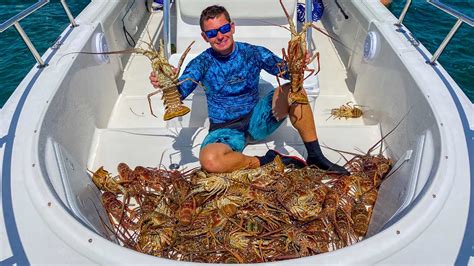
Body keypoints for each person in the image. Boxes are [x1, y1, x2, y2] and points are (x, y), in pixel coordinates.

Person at [150, 5, 348, 175]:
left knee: (295, 90)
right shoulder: (201, 63)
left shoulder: (253, 52)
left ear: (232, 27)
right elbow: (180, 92)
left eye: (224, 28)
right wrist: (165, 83)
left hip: (257, 121)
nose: (220, 36)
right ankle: (266, 161)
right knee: (210, 161)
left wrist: (298, 64)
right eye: (212, 33)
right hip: (224, 130)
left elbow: (286, 72)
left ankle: (315, 156)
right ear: (204, 36)